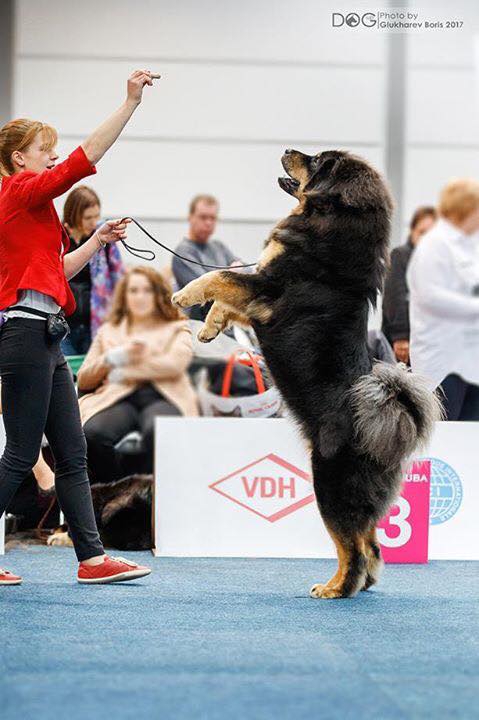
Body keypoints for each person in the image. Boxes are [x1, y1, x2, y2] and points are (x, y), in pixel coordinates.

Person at [0, 69, 156, 586]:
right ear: (18, 159)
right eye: (44, 149)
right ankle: (90, 557)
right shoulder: (19, 191)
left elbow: (56, 272)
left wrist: (98, 242)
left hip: (46, 335)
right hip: (25, 334)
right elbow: (83, 160)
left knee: (72, 454)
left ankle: (91, 559)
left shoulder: (36, 210)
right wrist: (129, 104)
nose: (52, 155)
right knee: (21, 454)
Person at [79, 267, 198, 485]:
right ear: (124, 296)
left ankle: (153, 492)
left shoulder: (177, 327)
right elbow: (84, 378)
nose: (140, 296)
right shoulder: (108, 330)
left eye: (147, 290)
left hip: (163, 396)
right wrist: (113, 358)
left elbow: (175, 364)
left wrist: (124, 371)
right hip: (117, 398)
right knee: (93, 434)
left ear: (158, 294)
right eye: (133, 290)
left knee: (158, 431)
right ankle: (117, 488)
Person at [408, 179, 479, 420]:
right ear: (465, 209)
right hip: (442, 365)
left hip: (469, 361)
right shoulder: (434, 244)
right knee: (444, 431)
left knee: (470, 433)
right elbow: (430, 296)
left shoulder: (468, 246)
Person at [61, 186, 125, 355]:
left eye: (97, 216)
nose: (94, 222)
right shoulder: (58, 237)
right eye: (88, 218)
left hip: (96, 324)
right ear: (73, 216)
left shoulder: (104, 238)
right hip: (62, 325)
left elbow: (120, 278)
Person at [172, 194, 242, 320]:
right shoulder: (183, 253)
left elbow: (247, 271)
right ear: (190, 218)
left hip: (226, 324)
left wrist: (236, 272)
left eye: (212, 218)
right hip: (198, 325)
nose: (208, 222)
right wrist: (233, 275)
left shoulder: (219, 246)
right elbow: (206, 289)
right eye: (203, 217)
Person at [382, 206, 437, 363]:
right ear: (412, 231)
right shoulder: (401, 256)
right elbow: (395, 297)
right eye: (422, 232)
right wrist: (401, 335)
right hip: (403, 344)